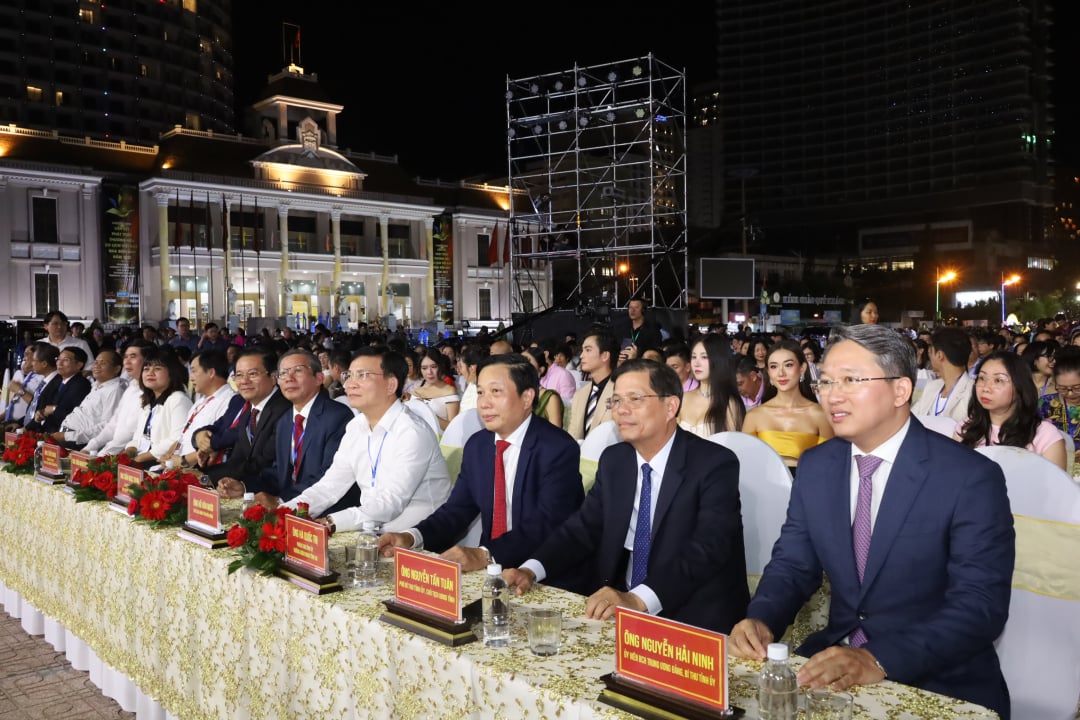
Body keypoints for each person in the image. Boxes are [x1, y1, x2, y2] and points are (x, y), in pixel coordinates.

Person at [728, 324, 1014, 718]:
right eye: (825, 381)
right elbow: (794, 564)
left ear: (900, 390)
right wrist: (761, 618)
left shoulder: (967, 477)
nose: (832, 395)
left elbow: (980, 606)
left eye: (850, 380)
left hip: (937, 676)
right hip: (833, 661)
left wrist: (877, 659)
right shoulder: (817, 465)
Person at [503, 359, 750, 632]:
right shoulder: (615, 460)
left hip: (693, 613)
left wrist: (638, 599)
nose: (622, 410)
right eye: (616, 400)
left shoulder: (713, 463)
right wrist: (531, 569)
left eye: (635, 399)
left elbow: (706, 549)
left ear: (671, 406)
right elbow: (582, 529)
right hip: (620, 603)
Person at [378, 353, 585, 578]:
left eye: (496, 392)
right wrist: (411, 537)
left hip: (543, 572)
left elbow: (548, 523)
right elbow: (456, 511)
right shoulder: (478, 446)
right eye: (480, 392)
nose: (484, 403)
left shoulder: (557, 448)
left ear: (527, 397)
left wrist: (485, 554)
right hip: (490, 570)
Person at [280, 347, 452, 533]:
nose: (349, 385)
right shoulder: (356, 427)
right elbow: (330, 486)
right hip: (371, 530)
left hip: (418, 537)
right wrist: (285, 512)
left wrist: (331, 523)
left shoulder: (411, 432)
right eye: (349, 375)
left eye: (362, 375)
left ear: (391, 385)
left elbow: (390, 503)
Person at [235, 349, 358, 514]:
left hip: (328, 513)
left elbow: (328, 477)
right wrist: (244, 487)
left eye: (298, 370)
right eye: (283, 373)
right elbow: (280, 473)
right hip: (291, 508)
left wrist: (281, 500)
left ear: (319, 378)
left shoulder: (337, 416)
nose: (289, 378)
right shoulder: (285, 421)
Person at [955, 350, 1067, 471]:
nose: (986, 388)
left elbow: (1056, 487)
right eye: (982, 378)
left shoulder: (1045, 435)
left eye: (998, 380)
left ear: (1020, 386)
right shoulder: (966, 427)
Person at [202, 348, 290, 482]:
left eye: (252, 374)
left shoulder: (284, 410)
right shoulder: (250, 408)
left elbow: (261, 464)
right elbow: (238, 459)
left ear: (273, 378)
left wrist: (203, 477)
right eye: (239, 375)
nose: (244, 381)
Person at [741, 340, 833, 467]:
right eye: (774, 366)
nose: (781, 373)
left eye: (788, 365)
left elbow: (828, 465)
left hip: (808, 485)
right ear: (768, 372)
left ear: (802, 368)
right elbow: (747, 465)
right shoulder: (754, 416)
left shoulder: (820, 415)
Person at [158, 349, 236, 467]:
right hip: (176, 465)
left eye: (194, 372)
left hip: (196, 470)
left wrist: (181, 461)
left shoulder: (230, 401)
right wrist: (169, 454)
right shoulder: (201, 401)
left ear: (211, 373)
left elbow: (215, 446)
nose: (191, 378)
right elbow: (184, 435)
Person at [122, 349, 193, 467]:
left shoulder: (178, 400)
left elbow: (177, 439)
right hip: (143, 459)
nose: (150, 373)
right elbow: (139, 436)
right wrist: (130, 450)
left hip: (163, 463)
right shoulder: (147, 400)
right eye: (146, 369)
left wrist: (141, 458)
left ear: (171, 373)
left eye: (158, 369)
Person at [82, 340, 154, 455]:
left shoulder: (150, 392)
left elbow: (127, 435)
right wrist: (90, 446)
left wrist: (103, 455)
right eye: (125, 357)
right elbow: (114, 423)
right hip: (112, 451)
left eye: (133, 357)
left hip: (131, 455)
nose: (127, 362)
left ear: (148, 360)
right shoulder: (132, 387)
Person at [50, 349, 125, 447]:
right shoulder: (97, 385)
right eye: (96, 362)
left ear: (116, 369)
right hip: (66, 436)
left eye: (103, 363)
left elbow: (107, 426)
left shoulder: (115, 390)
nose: (96, 366)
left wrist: (68, 436)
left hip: (80, 442)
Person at [677, 334, 744, 437]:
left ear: (719, 360)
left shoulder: (730, 404)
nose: (696, 363)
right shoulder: (683, 397)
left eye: (704, 357)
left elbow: (733, 446)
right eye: (694, 357)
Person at [910, 327, 975, 423]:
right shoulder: (931, 387)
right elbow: (912, 418)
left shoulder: (972, 391)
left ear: (940, 355)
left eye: (930, 352)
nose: (929, 357)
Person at [567, 331, 619, 440]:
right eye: (582, 350)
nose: (581, 356)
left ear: (605, 356)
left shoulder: (620, 391)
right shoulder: (580, 395)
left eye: (588, 350)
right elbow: (573, 435)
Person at [27, 347, 91, 434]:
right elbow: (46, 406)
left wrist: (54, 409)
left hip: (62, 436)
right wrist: (41, 413)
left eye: (65, 360)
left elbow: (77, 418)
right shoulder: (57, 381)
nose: (59, 363)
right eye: (58, 359)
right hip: (45, 432)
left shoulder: (82, 385)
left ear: (79, 365)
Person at [1038, 345, 1080, 467]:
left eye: (1077, 388)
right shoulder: (1045, 404)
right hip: (1054, 466)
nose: (1070, 393)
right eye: (1062, 388)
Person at [409, 351, 460, 431]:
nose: (429, 372)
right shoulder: (416, 392)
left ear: (440, 366)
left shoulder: (449, 391)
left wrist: (427, 411)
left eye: (433, 367)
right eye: (424, 368)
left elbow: (452, 428)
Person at [18, 343, 61, 432]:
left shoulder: (57, 383)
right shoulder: (45, 381)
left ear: (44, 363)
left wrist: (25, 429)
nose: (31, 363)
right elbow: (33, 411)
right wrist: (18, 423)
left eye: (34, 360)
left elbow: (42, 414)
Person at [1, 348, 45, 430]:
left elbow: (37, 405)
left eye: (27, 353)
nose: (24, 358)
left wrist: (19, 390)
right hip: (10, 423)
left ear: (37, 356)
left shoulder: (43, 377)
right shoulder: (26, 375)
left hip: (23, 426)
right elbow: (12, 403)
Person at [523, 347, 563, 428]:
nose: (521, 366)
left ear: (540, 370)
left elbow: (555, 434)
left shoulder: (550, 398)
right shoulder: (513, 394)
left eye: (527, 363)